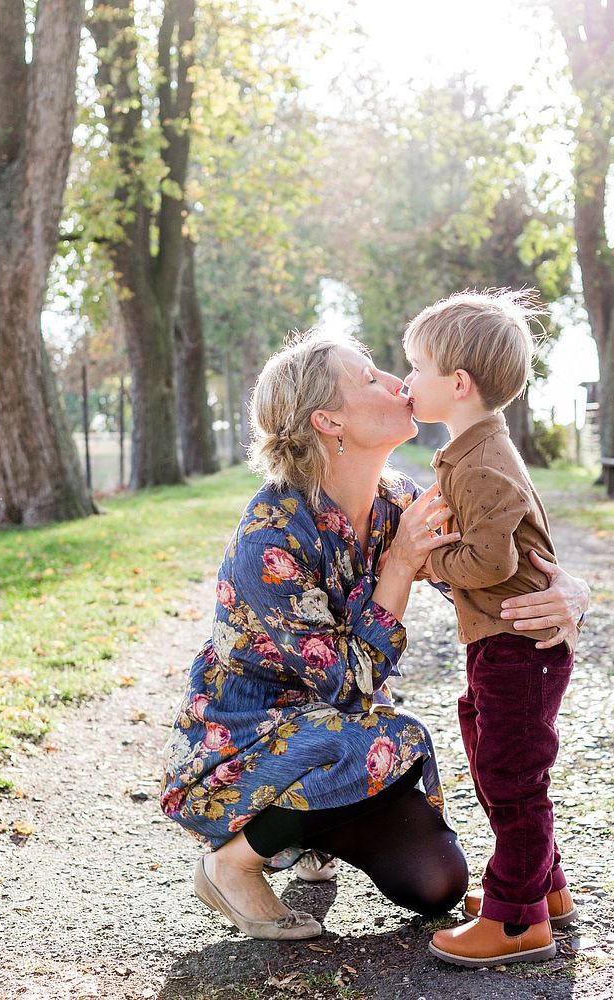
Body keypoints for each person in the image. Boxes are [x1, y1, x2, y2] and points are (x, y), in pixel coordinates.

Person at [161, 328, 590, 941]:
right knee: (387, 734)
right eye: (369, 378)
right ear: (329, 421)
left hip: (346, 742)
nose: (397, 383)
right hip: (248, 742)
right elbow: (347, 686)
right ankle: (234, 862)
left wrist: (570, 592)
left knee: (435, 884)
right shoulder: (271, 536)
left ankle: (309, 838)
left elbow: (492, 569)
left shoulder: (400, 503)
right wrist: (399, 566)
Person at [401, 289, 582, 968]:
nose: (407, 381)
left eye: (415, 368)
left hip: (517, 649)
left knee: (512, 778)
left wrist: (425, 560)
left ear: (457, 384)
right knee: (494, 757)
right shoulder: (471, 451)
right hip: (505, 646)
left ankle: (516, 921)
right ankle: (544, 890)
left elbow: (490, 559)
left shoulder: (479, 463)